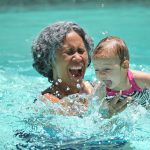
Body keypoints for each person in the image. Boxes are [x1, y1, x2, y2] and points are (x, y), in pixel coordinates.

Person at [32, 21, 96, 115]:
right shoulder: (46, 103)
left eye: (81, 51)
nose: (78, 58)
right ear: (50, 60)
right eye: (69, 52)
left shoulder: (97, 88)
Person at [92, 36, 150, 117]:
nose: (100, 74)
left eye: (107, 69)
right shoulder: (101, 90)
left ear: (124, 66)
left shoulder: (138, 79)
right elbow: (94, 114)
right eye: (96, 70)